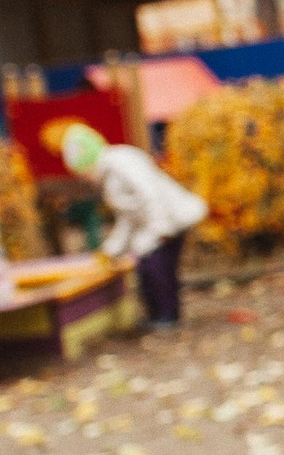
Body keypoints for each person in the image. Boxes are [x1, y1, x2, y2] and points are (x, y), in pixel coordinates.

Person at [56, 120, 206, 328]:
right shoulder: (109, 176)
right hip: (160, 225)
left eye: (81, 172)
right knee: (152, 267)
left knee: (154, 268)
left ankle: (166, 317)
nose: (83, 178)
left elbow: (150, 195)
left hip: (168, 221)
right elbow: (127, 217)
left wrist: (159, 230)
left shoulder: (119, 163)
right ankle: (161, 315)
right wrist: (111, 249)